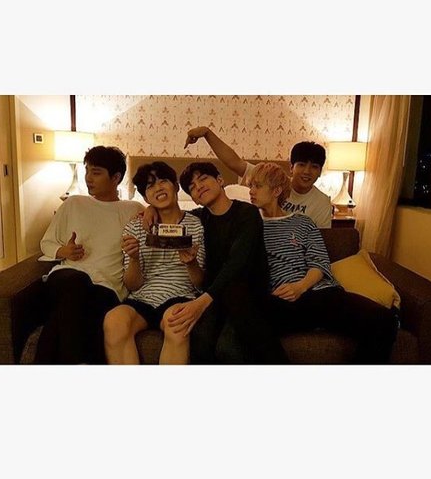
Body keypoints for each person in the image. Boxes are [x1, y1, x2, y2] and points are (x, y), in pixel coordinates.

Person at [248, 162, 398, 364]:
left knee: (386, 321)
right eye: (250, 186)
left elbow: (319, 263)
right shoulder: (250, 226)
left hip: (321, 293)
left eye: (257, 186)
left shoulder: (303, 222)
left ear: (276, 191)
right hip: (282, 301)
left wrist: (300, 287)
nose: (251, 191)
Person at [144, 161, 287, 364]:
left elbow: (237, 263)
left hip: (246, 296)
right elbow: (172, 215)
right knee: (200, 341)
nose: (199, 187)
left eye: (203, 179)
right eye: (192, 187)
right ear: (193, 199)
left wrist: (201, 303)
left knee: (227, 348)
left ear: (220, 180)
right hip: (216, 297)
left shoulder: (247, 213)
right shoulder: (198, 219)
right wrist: (151, 208)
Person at [35, 146, 144, 364]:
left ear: (116, 178)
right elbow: (46, 243)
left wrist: (151, 211)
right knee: (78, 282)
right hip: (67, 277)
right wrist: (63, 251)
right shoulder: (73, 203)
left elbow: (160, 215)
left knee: (66, 315)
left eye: (96, 172)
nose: (88, 178)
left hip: (107, 287)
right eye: (87, 171)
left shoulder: (132, 209)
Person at [102, 161, 207, 365]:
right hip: (142, 297)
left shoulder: (195, 224)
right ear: (145, 197)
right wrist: (134, 258)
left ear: (175, 186)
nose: (158, 188)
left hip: (180, 295)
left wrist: (191, 263)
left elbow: (200, 283)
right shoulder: (135, 226)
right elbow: (132, 285)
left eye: (163, 181)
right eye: (150, 186)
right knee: (114, 320)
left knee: (176, 323)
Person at [184, 126, 332, 228]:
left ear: (320, 171)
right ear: (291, 167)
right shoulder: (270, 179)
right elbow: (234, 162)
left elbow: (321, 241)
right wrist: (207, 133)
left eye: (314, 167)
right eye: (302, 165)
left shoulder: (322, 203)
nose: (307, 171)